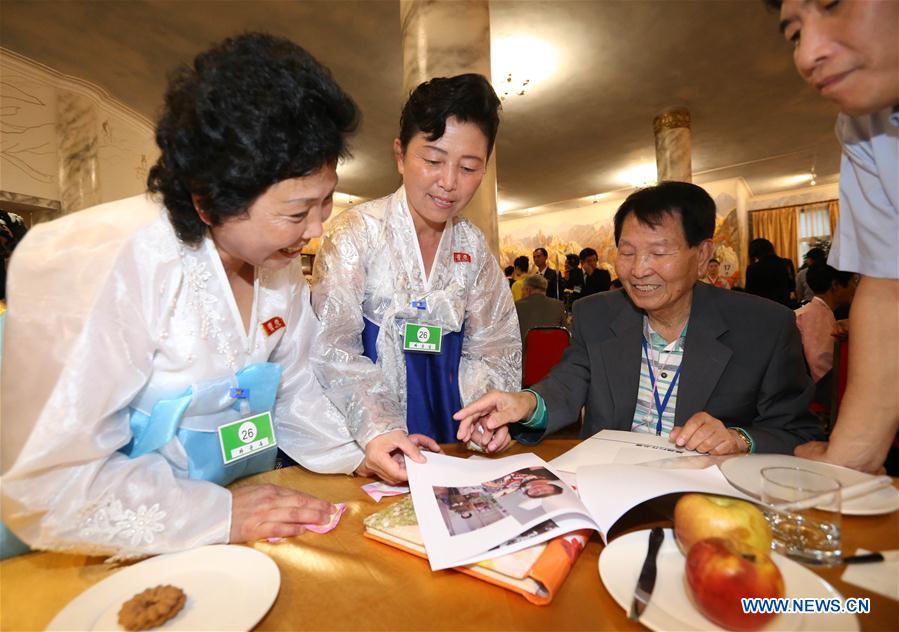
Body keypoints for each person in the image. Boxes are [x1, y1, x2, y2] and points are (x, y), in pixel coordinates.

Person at [0, 33, 368, 560]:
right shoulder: (114, 263)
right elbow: (52, 483)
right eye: (296, 212)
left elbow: (293, 387)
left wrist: (356, 453)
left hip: (244, 514)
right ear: (209, 200)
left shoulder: (277, 264)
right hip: (130, 534)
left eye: (326, 201)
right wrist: (220, 516)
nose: (315, 229)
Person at [455, 181, 822, 456]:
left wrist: (740, 439)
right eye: (628, 253)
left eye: (659, 252)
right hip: (609, 488)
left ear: (702, 254)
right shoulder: (596, 314)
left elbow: (799, 431)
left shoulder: (764, 327)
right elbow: (567, 386)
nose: (639, 270)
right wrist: (525, 404)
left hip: (706, 498)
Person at [311, 74, 520, 484]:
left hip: (453, 441)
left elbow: (495, 346)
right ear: (400, 155)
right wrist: (379, 429)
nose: (449, 183)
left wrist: (483, 413)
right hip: (369, 444)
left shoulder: (473, 248)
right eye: (433, 160)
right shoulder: (355, 233)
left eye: (469, 167)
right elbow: (332, 350)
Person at [769, 0, 899, 473]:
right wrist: (846, 468)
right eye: (795, 34)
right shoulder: (864, 130)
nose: (807, 56)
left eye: (833, 5)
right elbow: (889, 291)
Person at [794, 265, 858, 383]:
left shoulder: (813, 311)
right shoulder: (815, 315)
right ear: (836, 285)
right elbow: (821, 366)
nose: (855, 287)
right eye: (853, 281)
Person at [515, 274, 566, 347]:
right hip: (553, 353)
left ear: (528, 289)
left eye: (522, 289)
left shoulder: (517, 306)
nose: (521, 293)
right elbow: (565, 333)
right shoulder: (559, 305)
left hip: (527, 354)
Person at [745, 238, 794, 307]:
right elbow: (792, 286)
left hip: (763, 306)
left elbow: (749, 293)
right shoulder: (787, 263)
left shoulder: (752, 268)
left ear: (754, 252)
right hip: (784, 306)